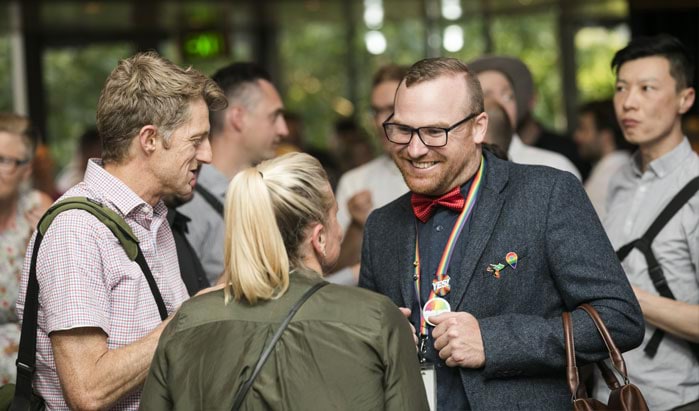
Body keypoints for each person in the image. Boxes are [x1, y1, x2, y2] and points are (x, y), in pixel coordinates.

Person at [358, 57, 644, 410]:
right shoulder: (381, 226)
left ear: (479, 127)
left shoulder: (547, 194)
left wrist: (493, 341)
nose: (415, 149)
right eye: (402, 130)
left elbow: (621, 319)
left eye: (435, 132)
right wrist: (381, 338)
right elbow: (365, 359)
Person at [16, 51, 227, 410]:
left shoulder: (153, 218)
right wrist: (195, 313)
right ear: (149, 140)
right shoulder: (78, 231)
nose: (207, 155)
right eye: (196, 140)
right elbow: (87, 390)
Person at [141, 152, 429, 410]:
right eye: (335, 217)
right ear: (319, 238)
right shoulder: (376, 319)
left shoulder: (189, 320)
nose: (340, 231)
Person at [596, 34, 699, 411]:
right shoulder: (620, 179)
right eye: (621, 88)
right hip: (610, 392)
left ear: (685, 99)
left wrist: (626, 299)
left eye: (646, 88)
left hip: (676, 398)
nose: (629, 102)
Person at [178, 62, 288, 284]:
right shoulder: (188, 202)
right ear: (237, 118)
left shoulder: (263, 193)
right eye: (273, 116)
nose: (283, 129)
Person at [331, 65, 409, 282]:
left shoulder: (442, 172)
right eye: (376, 111)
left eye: (391, 108)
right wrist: (357, 226)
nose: (381, 121)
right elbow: (334, 276)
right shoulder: (355, 182)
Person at [469, 55, 583, 180]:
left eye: (508, 96)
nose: (499, 104)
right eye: (486, 96)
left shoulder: (555, 169)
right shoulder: (457, 172)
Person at [0, 113, 52, 384]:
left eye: (5, 161)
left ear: (27, 169)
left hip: (29, 374)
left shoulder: (37, 209)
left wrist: (47, 247)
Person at [573, 100, 633, 220]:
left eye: (583, 129)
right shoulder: (626, 166)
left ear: (606, 137)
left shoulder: (605, 179)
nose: (576, 136)